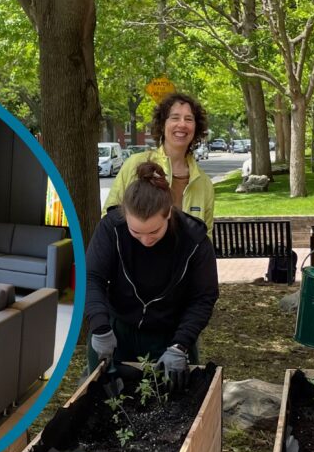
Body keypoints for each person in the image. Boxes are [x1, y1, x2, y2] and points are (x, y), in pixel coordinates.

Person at [86, 161, 219, 387]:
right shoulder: (111, 229)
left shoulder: (194, 240)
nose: (146, 240)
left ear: (168, 213)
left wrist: (180, 345)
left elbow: (204, 296)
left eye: (154, 231)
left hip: (171, 334)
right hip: (116, 331)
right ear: (125, 215)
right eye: (136, 232)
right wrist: (99, 326)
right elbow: (91, 278)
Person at [105, 93, 215, 237]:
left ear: (196, 128)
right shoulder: (134, 164)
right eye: (175, 117)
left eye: (189, 119)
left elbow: (206, 237)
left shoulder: (204, 183)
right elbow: (109, 218)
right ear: (163, 125)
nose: (182, 124)